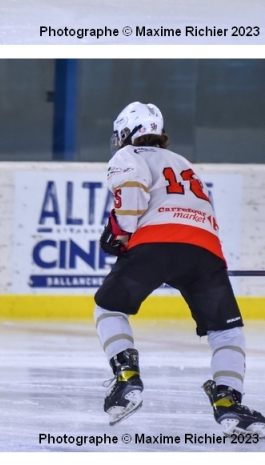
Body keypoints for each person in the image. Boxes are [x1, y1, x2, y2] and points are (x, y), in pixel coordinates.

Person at [94, 101, 265, 431]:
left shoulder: (128, 156)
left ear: (128, 133)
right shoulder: (184, 162)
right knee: (226, 330)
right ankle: (228, 401)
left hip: (155, 244)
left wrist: (119, 233)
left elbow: (132, 200)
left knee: (108, 307)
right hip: (204, 250)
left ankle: (127, 376)